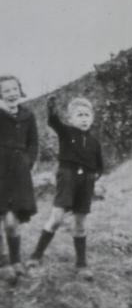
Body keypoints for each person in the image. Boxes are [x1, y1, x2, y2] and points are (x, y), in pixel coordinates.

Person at [30, 97, 104, 279]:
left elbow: (99, 165)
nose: (84, 118)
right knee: (56, 218)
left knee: (80, 222)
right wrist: (51, 108)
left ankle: (81, 265)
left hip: (86, 182)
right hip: (67, 176)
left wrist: (96, 178)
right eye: (79, 115)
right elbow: (53, 121)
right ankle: (36, 255)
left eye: (87, 115)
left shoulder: (95, 142)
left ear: (92, 118)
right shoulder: (66, 132)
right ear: (71, 119)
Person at [0, 75, 38, 282]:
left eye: (14, 89)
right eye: (6, 91)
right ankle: (3, 263)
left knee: (11, 221)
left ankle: (16, 260)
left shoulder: (28, 115)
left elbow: (33, 144)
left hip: (18, 175)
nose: (11, 94)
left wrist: (28, 162)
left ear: (20, 90)